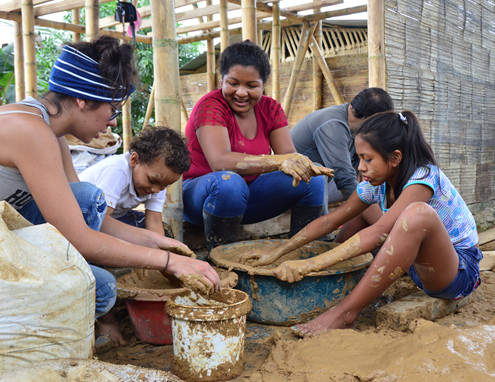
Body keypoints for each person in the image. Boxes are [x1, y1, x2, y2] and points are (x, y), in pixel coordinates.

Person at [0, 36, 220, 348]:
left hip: (9, 233)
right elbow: (79, 237)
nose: (113, 121)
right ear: (82, 100)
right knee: (100, 287)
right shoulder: (32, 133)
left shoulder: (49, 131)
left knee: (88, 198)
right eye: (112, 108)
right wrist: (169, 263)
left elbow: (86, 215)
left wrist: (158, 241)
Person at [241, 110, 482, 337]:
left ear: (395, 158)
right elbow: (330, 220)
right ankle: (337, 277)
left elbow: (379, 232)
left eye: (367, 159)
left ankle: (345, 313)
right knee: (358, 209)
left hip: (455, 272)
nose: (360, 167)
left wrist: (309, 265)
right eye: (359, 158)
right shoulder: (377, 183)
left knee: (417, 215)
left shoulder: (424, 178)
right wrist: (278, 252)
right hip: (416, 269)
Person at [182, 40, 333, 251]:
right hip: (202, 196)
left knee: (311, 179)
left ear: (263, 85)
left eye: (251, 86)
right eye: (233, 83)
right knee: (229, 182)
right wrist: (278, 162)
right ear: (222, 80)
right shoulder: (210, 106)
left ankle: (301, 253)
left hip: (246, 195)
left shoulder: (270, 109)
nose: (241, 92)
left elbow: (289, 156)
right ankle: (220, 256)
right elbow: (219, 162)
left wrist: (295, 163)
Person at [80, 125, 189, 236]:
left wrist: (161, 250)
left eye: (163, 186)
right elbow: (100, 220)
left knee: (163, 235)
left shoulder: (159, 181)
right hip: (85, 217)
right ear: (134, 160)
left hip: (112, 218)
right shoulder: (117, 171)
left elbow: (154, 222)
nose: (156, 190)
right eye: (151, 180)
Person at [291, 88, 394, 203]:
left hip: (322, 182)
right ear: (370, 120)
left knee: (374, 182)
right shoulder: (332, 124)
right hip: (297, 184)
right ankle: (384, 220)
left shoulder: (354, 125)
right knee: (363, 191)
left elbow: (357, 164)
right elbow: (342, 175)